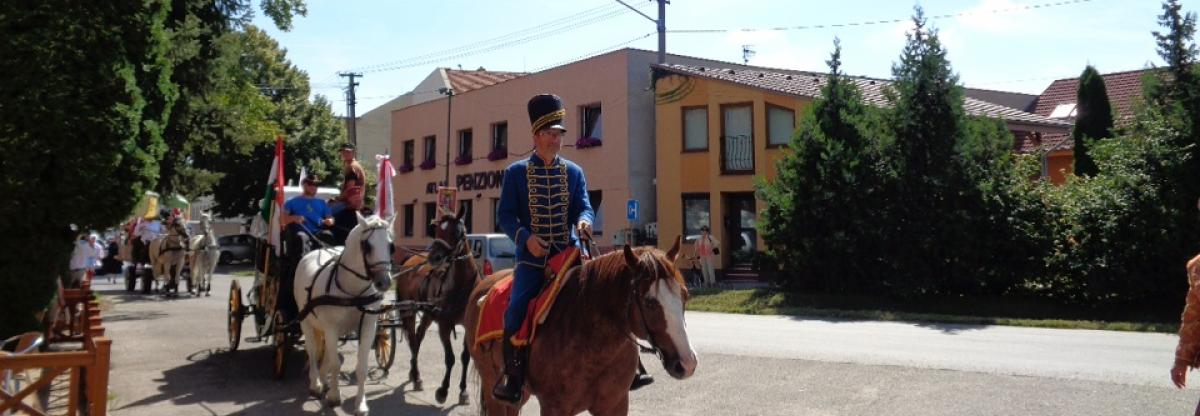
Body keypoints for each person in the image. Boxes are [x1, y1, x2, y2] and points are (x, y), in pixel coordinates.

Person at [493, 93, 647, 403]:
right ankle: (513, 375)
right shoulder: (515, 174)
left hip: (570, 257)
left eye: (559, 134)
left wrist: (585, 221)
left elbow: (585, 207)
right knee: (515, 311)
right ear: (536, 135)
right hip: (533, 262)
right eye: (550, 134)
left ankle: (633, 366)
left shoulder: (574, 173)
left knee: (611, 298)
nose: (556, 139)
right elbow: (505, 216)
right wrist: (526, 239)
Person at [280, 174, 335, 319]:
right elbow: (283, 220)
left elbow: (330, 218)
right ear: (304, 185)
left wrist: (329, 221)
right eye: (311, 184)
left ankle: (329, 265)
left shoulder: (322, 203)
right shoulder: (292, 202)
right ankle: (301, 265)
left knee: (328, 235)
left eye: (316, 185)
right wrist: (293, 218)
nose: (314, 187)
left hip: (317, 231)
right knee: (301, 238)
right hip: (301, 231)